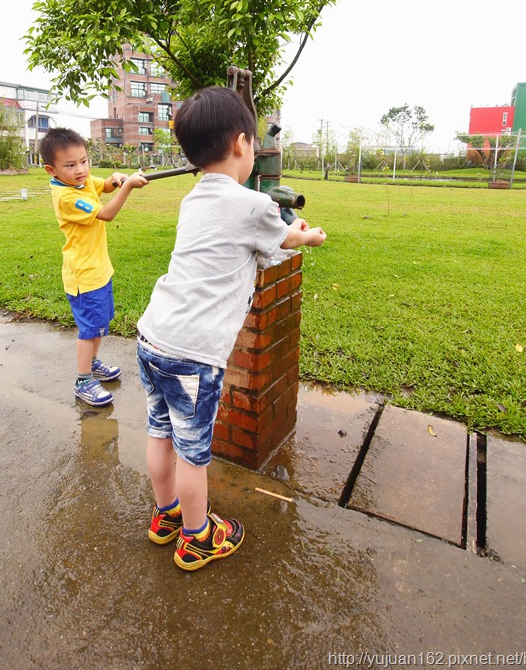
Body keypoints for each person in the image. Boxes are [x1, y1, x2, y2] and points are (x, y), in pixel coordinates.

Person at [136, 86, 326, 571]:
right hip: (192, 356)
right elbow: (285, 238)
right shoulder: (252, 205)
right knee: (193, 453)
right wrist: (308, 234)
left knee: (160, 433)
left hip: (153, 337)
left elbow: (241, 247)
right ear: (243, 144)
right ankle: (199, 537)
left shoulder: (191, 201)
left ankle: (166, 517)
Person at [40, 127, 148, 407]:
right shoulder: (67, 197)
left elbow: (104, 185)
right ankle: (83, 380)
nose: (81, 169)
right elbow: (107, 214)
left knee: (99, 324)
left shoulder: (82, 181)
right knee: (89, 330)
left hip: (98, 270)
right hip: (83, 275)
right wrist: (127, 187)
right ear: (52, 170)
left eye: (84, 161)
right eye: (71, 165)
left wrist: (115, 179)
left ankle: (93, 363)